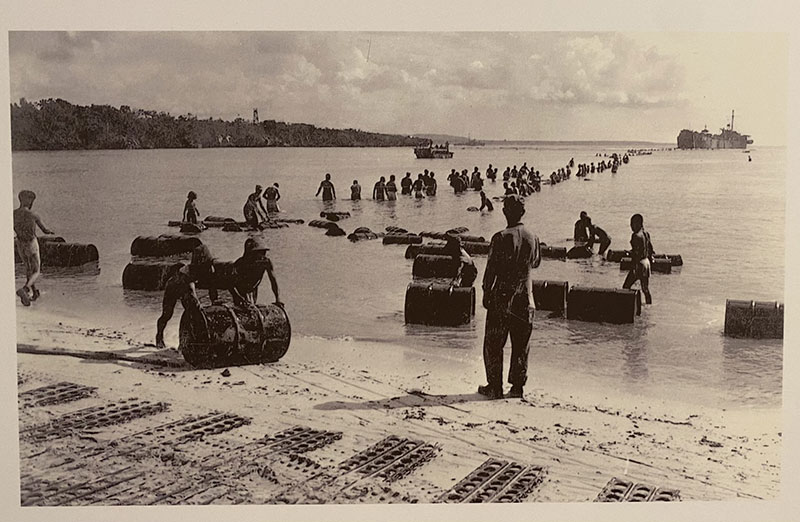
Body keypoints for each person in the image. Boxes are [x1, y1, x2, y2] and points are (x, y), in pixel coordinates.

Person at [479, 195, 541, 400]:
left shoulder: (500, 237)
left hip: (502, 298)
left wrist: (486, 292)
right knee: (521, 345)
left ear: (506, 211)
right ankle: (517, 387)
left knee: (494, 343)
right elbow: (535, 263)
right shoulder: (533, 237)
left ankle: (494, 386)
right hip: (526, 297)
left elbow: (491, 271)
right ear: (523, 212)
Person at [155, 244, 215, 348]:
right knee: (167, 314)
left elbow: (212, 287)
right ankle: (159, 336)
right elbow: (190, 291)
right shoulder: (190, 271)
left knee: (191, 314)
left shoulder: (209, 269)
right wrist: (197, 303)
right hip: (174, 286)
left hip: (186, 288)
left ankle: (184, 343)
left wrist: (214, 302)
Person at [13, 190, 54, 306]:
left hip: (20, 243)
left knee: (28, 268)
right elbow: (44, 230)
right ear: (29, 200)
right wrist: (50, 232)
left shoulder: (13, 214)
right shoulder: (33, 214)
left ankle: (34, 293)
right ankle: (25, 289)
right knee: (36, 271)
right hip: (31, 243)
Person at [231, 237, 282, 308]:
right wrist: (238, 296)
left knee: (253, 308)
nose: (262, 256)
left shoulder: (266, 262)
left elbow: (273, 280)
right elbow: (231, 283)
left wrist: (278, 298)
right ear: (251, 253)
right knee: (242, 309)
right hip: (239, 289)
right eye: (259, 253)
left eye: (263, 252)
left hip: (253, 287)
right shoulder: (241, 263)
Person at [622, 213, 654, 304]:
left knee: (626, 286)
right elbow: (650, 249)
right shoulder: (646, 234)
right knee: (645, 289)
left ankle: (628, 306)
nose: (631, 227)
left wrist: (634, 267)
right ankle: (648, 306)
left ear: (638, 224)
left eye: (632, 224)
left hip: (639, 263)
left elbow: (636, 254)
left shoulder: (635, 236)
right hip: (646, 263)